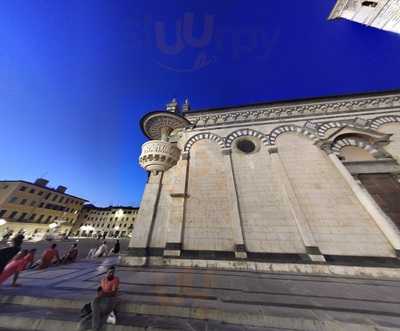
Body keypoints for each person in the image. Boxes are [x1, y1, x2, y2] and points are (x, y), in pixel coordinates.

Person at [78, 266, 120, 331]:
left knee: (96, 311)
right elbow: (101, 289)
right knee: (94, 302)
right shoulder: (103, 279)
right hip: (102, 297)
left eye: (113, 272)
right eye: (110, 272)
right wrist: (100, 293)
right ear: (107, 272)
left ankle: (95, 327)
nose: (111, 273)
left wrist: (104, 294)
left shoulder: (115, 280)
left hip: (110, 298)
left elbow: (113, 293)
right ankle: (89, 323)